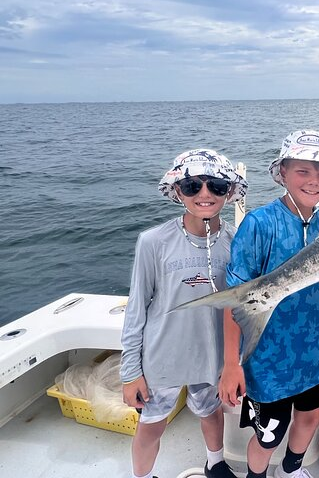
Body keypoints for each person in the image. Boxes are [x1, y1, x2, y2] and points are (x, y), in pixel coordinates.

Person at [218, 130, 319, 478]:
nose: (314, 181)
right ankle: (256, 476)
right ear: (282, 173)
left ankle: (291, 470)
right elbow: (237, 300)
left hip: (315, 351)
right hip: (266, 359)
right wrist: (232, 364)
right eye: (303, 170)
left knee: (310, 416)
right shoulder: (259, 224)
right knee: (269, 434)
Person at [120, 149, 248, 478]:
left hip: (212, 354)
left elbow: (242, 308)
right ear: (177, 191)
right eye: (192, 186)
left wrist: (238, 362)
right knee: (151, 425)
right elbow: (136, 308)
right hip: (162, 357)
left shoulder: (239, 242)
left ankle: (215, 462)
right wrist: (130, 372)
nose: (204, 194)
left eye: (217, 186)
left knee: (211, 412)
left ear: (230, 192)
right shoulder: (152, 242)